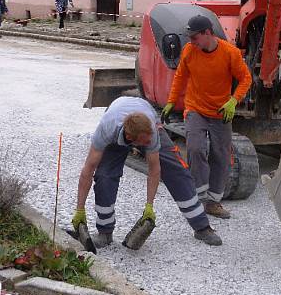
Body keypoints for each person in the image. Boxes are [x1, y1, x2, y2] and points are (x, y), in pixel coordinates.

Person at [71, 96, 222, 247]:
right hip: (117, 117)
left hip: (145, 116)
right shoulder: (106, 130)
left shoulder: (151, 134)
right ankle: (105, 232)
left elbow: (154, 170)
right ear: (131, 138)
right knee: (105, 175)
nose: (149, 144)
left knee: (176, 171)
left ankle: (202, 227)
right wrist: (80, 209)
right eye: (145, 142)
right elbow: (88, 170)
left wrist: (149, 206)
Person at [162, 15, 252, 219]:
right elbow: (180, 76)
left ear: (208, 33)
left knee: (220, 156)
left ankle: (213, 202)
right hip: (195, 108)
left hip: (221, 112)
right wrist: (171, 101)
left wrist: (234, 100)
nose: (191, 42)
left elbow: (246, 78)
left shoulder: (230, 53)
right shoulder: (189, 51)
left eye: (194, 37)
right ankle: (199, 197)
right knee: (195, 148)